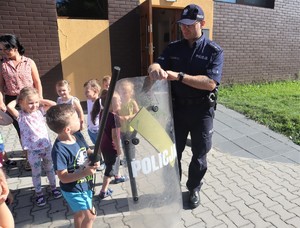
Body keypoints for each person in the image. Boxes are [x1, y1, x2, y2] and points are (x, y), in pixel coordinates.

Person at [148, 4, 224, 209]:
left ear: (202, 24)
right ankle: (171, 188)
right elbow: (157, 64)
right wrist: (153, 68)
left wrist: (179, 77)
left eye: (190, 25)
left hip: (201, 112)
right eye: (183, 24)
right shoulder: (173, 47)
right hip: (176, 110)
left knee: (200, 155)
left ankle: (194, 188)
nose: (185, 28)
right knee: (172, 153)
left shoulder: (213, 51)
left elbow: (210, 83)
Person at [6, 87, 62, 207]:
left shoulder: (40, 111)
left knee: (50, 169)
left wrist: (39, 100)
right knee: (36, 172)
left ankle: (54, 188)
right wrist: (17, 99)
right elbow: (9, 107)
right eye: (30, 103)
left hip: (46, 146)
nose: (34, 105)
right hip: (33, 150)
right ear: (22, 103)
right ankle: (39, 193)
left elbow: (53, 104)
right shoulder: (20, 115)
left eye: (36, 102)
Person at [46, 104, 98, 228]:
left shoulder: (78, 135)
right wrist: (84, 173)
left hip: (85, 184)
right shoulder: (59, 150)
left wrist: (94, 158)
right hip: (74, 190)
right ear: (67, 129)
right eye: (76, 118)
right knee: (90, 216)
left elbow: (87, 150)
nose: (80, 119)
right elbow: (63, 177)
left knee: (80, 214)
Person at [0, 34, 44, 171]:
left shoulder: (29, 62)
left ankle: (41, 152)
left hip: (30, 100)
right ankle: (29, 159)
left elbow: (37, 82)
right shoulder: (2, 65)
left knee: (35, 128)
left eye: (6, 48)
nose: (4, 52)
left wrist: (40, 100)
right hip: (13, 102)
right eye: (1, 49)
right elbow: (0, 86)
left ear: (15, 46)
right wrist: (1, 102)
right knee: (22, 131)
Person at [91, 90, 126, 199]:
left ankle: (118, 176)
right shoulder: (114, 117)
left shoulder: (103, 112)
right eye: (118, 101)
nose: (120, 102)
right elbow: (115, 136)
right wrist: (118, 149)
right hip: (112, 147)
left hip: (104, 145)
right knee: (110, 169)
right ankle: (103, 191)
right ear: (110, 104)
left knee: (111, 163)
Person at [83, 79, 105, 171]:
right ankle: (99, 160)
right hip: (91, 129)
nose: (85, 94)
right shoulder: (89, 100)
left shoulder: (100, 102)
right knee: (97, 146)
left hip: (98, 130)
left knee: (99, 147)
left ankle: (101, 162)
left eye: (87, 92)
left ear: (95, 91)